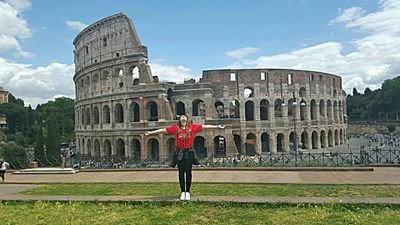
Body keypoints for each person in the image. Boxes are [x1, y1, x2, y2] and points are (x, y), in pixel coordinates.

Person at [145, 115, 225, 201]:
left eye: (184, 117)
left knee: (188, 172)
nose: (183, 118)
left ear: (187, 119)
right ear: (180, 120)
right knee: (181, 173)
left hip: (189, 152)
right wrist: (151, 133)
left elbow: (205, 127)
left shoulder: (192, 127)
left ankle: (188, 192)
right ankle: (183, 192)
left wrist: (217, 126)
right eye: (181, 117)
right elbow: (163, 130)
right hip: (179, 152)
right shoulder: (176, 128)